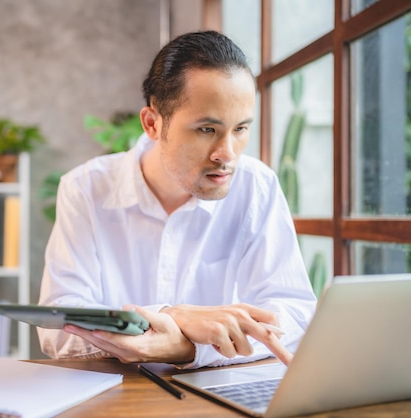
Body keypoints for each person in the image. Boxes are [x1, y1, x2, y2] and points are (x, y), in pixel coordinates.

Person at [38, 30, 317, 369]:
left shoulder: (257, 186)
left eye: (241, 129)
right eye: (207, 130)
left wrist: (188, 347)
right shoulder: (84, 188)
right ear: (153, 124)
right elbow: (58, 330)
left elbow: (295, 314)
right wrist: (171, 316)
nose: (227, 154)